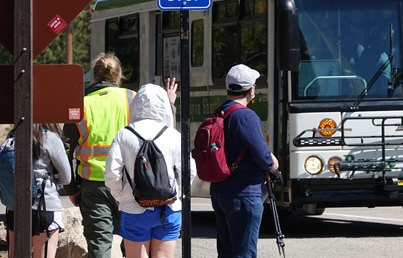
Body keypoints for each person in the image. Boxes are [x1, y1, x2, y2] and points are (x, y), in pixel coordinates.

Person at [62, 52, 179, 258]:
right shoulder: (133, 99)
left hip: (94, 185)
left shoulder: (81, 105)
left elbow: (66, 151)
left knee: (99, 244)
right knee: (134, 242)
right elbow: (158, 129)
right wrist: (170, 104)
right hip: (132, 182)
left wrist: (71, 189)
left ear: (94, 77)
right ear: (119, 76)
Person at [104, 83, 195, 258]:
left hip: (133, 208)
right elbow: (189, 170)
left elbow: (111, 173)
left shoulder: (124, 134)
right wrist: (176, 194)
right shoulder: (173, 135)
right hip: (169, 208)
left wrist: (122, 196)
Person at [210, 64, 279, 258]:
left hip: (220, 191)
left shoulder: (219, 112)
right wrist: (273, 163)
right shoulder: (246, 117)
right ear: (251, 90)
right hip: (244, 194)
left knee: (226, 252)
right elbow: (263, 156)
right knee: (244, 253)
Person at [5, 124, 72, 258]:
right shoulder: (50, 139)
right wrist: (51, 179)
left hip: (15, 206)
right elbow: (66, 177)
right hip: (45, 205)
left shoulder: (13, 136)